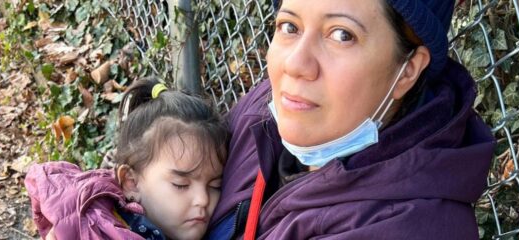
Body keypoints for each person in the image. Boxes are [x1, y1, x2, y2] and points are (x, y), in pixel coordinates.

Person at [207, 0, 495, 239]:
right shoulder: (265, 109)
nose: (295, 64)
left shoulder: (405, 227)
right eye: (289, 26)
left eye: (342, 35)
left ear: (407, 70)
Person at [25, 78, 229, 240]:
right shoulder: (97, 233)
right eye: (181, 184)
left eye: (215, 186)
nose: (203, 199)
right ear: (131, 182)